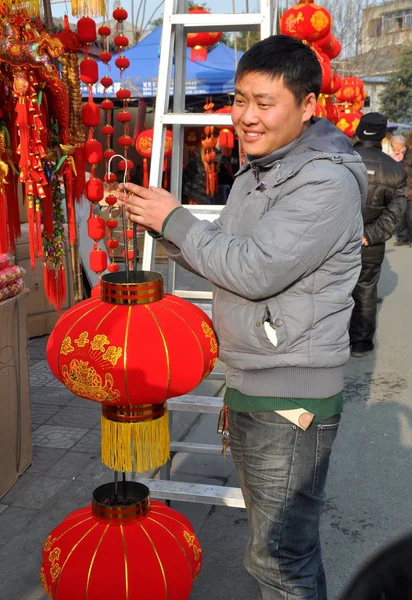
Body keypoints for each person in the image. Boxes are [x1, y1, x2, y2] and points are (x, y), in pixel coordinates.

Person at [115, 35, 366, 600]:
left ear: (307, 107)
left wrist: (174, 217)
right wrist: (163, 226)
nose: (247, 117)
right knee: (283, 553)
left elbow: (254, 271)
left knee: (279, 559)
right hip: (261, 377)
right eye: (239, 98)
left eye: (265, 102)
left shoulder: (323, 181)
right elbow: (228, 253)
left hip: (291, 397)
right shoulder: (263, 169)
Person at [349, 114, 407, 358]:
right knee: (365, 291)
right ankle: (361, 343)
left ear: (358, 132)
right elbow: (395, 215)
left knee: (331, 290)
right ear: (384, 136)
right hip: (370, 246)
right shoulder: (395, 169)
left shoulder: (340, 159)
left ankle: (333, 342)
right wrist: (368, 235)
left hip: (334, 241)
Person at [391, 134, 412, 246]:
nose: (392, 147)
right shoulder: (394, 156)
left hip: (410, 191)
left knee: (410, 216)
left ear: (400, 145)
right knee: (401, 217)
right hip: (399, 191)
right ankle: (403, 238)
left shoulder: (410, 154)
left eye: (393, 145)